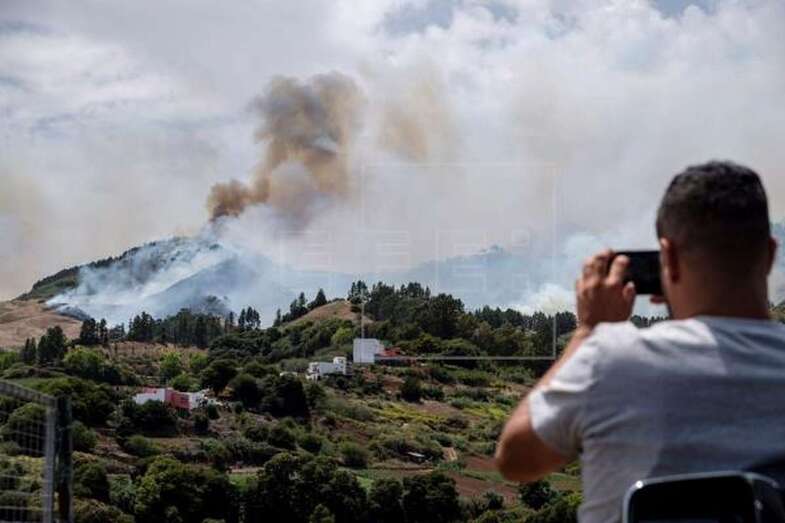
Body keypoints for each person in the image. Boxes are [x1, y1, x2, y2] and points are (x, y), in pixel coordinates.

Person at [495, 161, 784, 522]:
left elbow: (515, 459)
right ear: (771, 254)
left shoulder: (610, 359)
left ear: (670, 258)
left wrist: (589, 330)